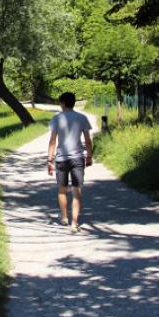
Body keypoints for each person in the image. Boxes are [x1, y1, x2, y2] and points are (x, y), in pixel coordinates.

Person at [46, 92, 93, 233]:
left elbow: (52, 141)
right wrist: (89, 156)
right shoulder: (82, 118)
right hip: (77, 158)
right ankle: (74, 223)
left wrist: (50, 160)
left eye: (60, 103)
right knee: (77, 191)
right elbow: (88, 140)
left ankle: (64, 217)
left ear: (63, 103)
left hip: (61, 159)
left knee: (62, 190)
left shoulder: (56, 119)